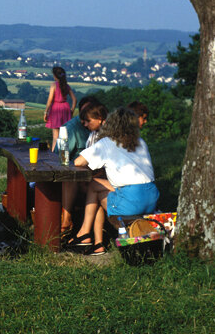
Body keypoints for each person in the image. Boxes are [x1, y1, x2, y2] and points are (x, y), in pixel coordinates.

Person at [67, 108, 159, 256]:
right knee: (97, 187)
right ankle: (96, 244)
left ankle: (85, 235)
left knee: (93, 187)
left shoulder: (107, 143)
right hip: (151, 198)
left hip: (130, 204)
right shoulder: (141, 142)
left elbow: (78, 162)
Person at [60, 96, 101, 233]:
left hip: (97, 176)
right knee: (70, 178)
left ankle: (78, 229)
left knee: (77, 180)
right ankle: (67, 221)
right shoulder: (71, 128)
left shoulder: (101, 133)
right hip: (82, 175)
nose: (86, 119)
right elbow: (59, 155)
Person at [44, 66, 77, 151]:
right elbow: (74, 99)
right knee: (64, 136)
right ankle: (64, 153)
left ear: (55, 75)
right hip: (65, 109)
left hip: (55, 109)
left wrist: (46, 112)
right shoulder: (66, 86)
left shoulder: (53, 85)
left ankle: (53, 156)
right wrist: (71, 111)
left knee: (55, 136)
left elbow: (50, 100)